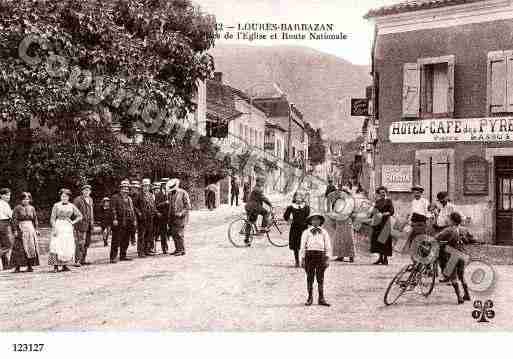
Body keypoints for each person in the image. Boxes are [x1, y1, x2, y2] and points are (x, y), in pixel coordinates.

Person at [435, 212, 477, 304]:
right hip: (463, 255)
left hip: (452, 254)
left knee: (453, 276)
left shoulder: (448, 230)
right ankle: (467, 294)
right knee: (461, 276)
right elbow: (473, 239)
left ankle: (459, 297)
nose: (448, 220)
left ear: (452, 221)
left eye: (449, 219)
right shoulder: (464, 229)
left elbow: (437, 238)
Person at [300, 213, 332, 306]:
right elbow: (302, 246)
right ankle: (310, 298)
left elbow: (328, 246)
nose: (315, 222)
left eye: (317, 220)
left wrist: (327, 258)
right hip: (309, 256)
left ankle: (321, 298)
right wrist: (302, 259)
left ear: (321, 221)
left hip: (321, 255)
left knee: (320, 278)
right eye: (313, 220)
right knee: (310, 278)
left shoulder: (324, 232)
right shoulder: (306, 232)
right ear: (310, 221)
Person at [48, 189, 83, 273]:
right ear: (60, 197)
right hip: (59, 225)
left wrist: (73, 222)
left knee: (66, 245)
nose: (64, 198)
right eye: (63, 196)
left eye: (66, 196)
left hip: (67, 227)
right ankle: (55, 266)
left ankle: (64, 265)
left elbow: (80, 216)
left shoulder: (71, 205)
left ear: (69, 197)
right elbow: (52, 218)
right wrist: (55, 228)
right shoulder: (56, 205)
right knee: (56, 245)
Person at [9, 192, 40, 273]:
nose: (26, 201)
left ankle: (30, 266)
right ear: (21, 200)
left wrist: (36, 229)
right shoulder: (17, 208)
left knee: (31, 247)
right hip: (21, 229)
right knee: (20, 248)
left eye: (27, 199)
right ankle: (17, 267)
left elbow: (35, 219)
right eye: (24, 199)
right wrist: (15, 230)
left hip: (30, 229)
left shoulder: (32, 208)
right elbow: (14, 220)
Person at [160, 178, 191, 256]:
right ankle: (177, 249)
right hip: (172, 217)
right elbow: (170, 205)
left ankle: (181, 250)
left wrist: (181, 213)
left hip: (181, 218)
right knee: (174, 233)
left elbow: (188, 206)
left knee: (179, 234)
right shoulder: (170, 194)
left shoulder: (183, 193)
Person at [325, 186, 356, 262]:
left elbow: (353, 212)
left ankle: (351, 256)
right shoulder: (338, 201)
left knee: (349, 238)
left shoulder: (350, 201)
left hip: (347, 220)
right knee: (339, 238)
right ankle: (340, 255)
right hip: (339, 221)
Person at [110, 180, 136, 263]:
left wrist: (134, 219)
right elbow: (113, 209)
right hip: (119, 221)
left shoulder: (129, 198)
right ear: (120, 189)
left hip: (128, 221)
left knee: (126, 240)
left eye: (127, 189)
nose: (125, 190)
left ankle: (123, 255)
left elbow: (132, 210)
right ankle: (113, 257)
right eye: (123, 188)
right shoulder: (115, 197)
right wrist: (114, 219)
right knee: (116, 240)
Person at [283, 192, 310, 267]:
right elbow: (285, 216)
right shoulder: (291, 207)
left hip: (304, 227)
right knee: (296, 246)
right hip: (295, 227)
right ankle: (297, 261)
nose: (299, 198)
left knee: (304, 244)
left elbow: (307, 215)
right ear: (294, 198)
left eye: (300, 197)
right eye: (297, 197)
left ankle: (304, 260)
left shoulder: (306, 206)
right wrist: (289, 220)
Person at [369, 186, 394, 265]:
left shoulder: (388, 201)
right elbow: (374, 211)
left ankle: (385, 258)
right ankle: (380, 258)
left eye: (383, 192)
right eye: (380, 193)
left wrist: (382, 214)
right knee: (378, 240)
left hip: (385, 222)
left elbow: (391, 211)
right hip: (378, 223)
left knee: (385, 240)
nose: (382, 194)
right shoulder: (377, 201)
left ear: (386, 192)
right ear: (379, 194)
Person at [73, 184, 94, 266]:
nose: (87, 192)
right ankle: (77, 260)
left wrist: (92, 222)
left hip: (89, 224)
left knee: (87, 243)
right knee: (80, 243)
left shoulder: (91, 199)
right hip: (81, 224)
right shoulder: (78, 200)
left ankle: (83, 259)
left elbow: (92, 212)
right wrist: (76, 222)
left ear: (90, 192)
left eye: (88, 190)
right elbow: (74, 211)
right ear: (82, 191)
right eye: (85, 190)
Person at [138, 178, 159, 257]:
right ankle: (141, 251)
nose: (146, 188)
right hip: (142, 218)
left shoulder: (151, 195)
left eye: (147, 186)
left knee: (149, 234)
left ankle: (147, 250)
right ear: (142, 187)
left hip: (150, 217)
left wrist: (156, 212)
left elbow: (153, 206)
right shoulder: (139, 195)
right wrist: (139, 213)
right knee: (142, 235)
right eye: (144, 186)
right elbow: (135, 206)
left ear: (149, 187)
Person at [407, 185, 431, 249]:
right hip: (414, 223)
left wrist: (427, 222)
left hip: (421, 223)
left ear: (421, 193)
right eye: (414, 193)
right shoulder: (413, 202)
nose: (416, 195)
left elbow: (428, 213)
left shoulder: (425, 201)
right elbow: (411, 213)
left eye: (417, 193)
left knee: (421, 239)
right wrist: (409, 221)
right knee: (413, 240)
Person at [0, 188, 13, 270]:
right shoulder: (5, 204)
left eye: (9, 195)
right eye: (6, 195)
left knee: (2, 244)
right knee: (8, 244)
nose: (8, 197)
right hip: (4, 224)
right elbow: (10, 215)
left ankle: (6, 265)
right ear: (1, 195)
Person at [154, 180, 169, 254]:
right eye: (164, 184)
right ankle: (164, 249)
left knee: (169, 232)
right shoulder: (158, 194)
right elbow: (156, 205)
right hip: (161, 216)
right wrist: (165, 203)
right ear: (162, 185)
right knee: (162, 233)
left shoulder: (170, 193)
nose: (165, 186)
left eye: (166, 184)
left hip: (169, 216)